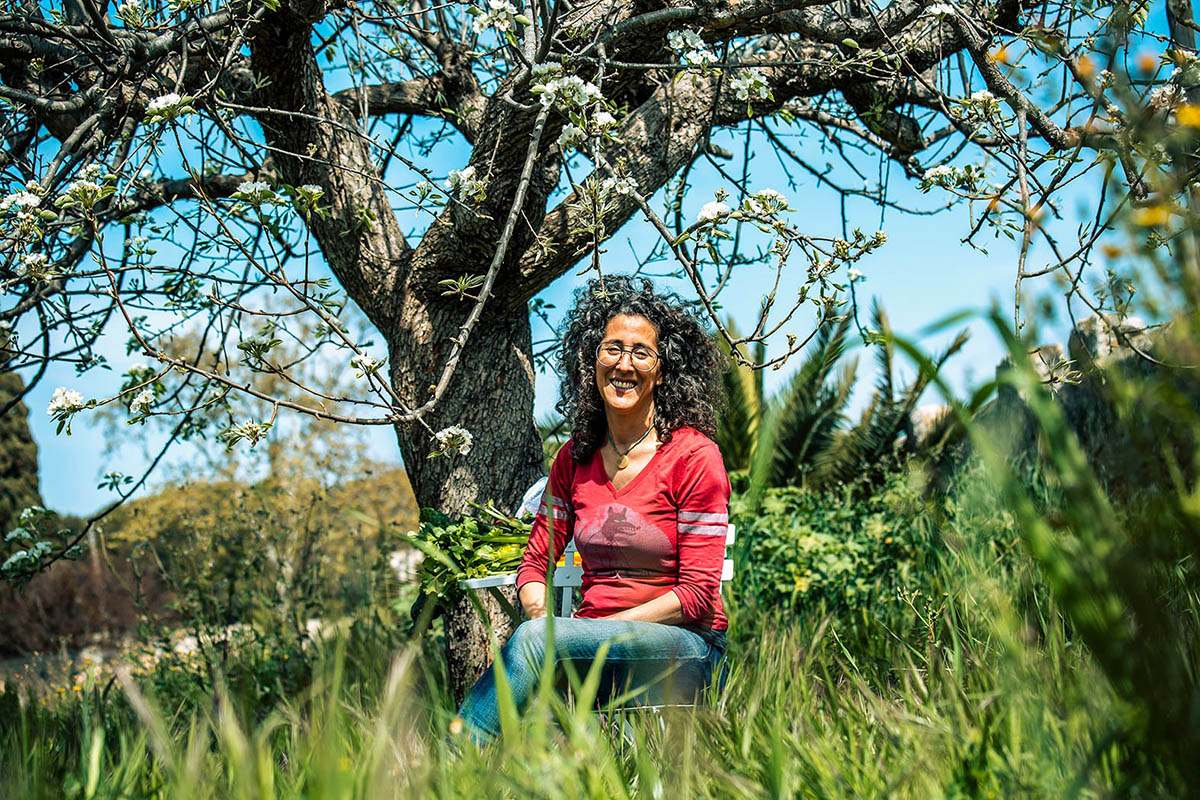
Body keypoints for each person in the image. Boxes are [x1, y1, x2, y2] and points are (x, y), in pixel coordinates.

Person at [455, 275, 731, 743]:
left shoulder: (693, 456)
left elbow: (697, 596)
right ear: (593, 361)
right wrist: (539, 609)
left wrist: (576, 632)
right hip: (586, 647)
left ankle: (448, 764)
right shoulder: (574, 457)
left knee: (538, 646)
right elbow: (535, 561)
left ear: (662, 371)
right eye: (612, 349)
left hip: (686, 652)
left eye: (641, 352)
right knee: (539, 656)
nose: (625, 364)